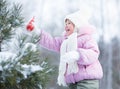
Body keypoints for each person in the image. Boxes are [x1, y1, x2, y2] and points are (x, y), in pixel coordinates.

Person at [28, 9, 103, 89]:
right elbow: (51, 42)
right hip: (72, 81)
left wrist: (78, 55)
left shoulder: (87, 38)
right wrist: (37, 32)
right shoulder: (65, 41)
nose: (66, 25)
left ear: (77, 24)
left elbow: (93, 53)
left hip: (87, 80)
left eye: (69, 23)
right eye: (65, 23)